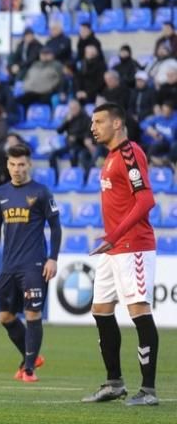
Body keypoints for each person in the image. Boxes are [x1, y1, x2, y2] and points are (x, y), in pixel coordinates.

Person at [83, 103, 160, 406]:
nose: (93, 127)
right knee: (101, 310)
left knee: (139, 311)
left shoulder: (129, 153)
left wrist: (114, 235)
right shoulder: (111, 157)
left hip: (133, 246)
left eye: (99, 121)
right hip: (114, 249)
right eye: (92, 121)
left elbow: (146, 200)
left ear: (117, 124)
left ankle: (149, 390)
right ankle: (114, 382)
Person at [0, 143, 60, 383]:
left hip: (34, 265)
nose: (17, 169)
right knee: (5, 317)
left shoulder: (41, 192)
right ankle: (32, 357)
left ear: (29, 165)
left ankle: (29, 369)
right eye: (13, 164)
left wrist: (52, 258)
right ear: (7, 165)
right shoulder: (0, 195)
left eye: (21, 164)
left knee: (32, 313)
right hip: (9, 265)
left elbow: (56, 227)